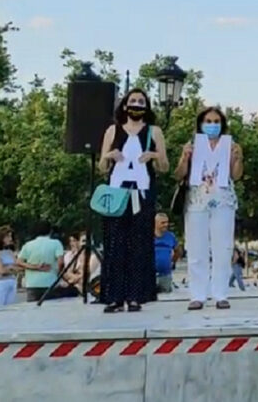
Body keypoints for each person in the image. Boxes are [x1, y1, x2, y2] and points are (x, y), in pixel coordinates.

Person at [98, 88, 169, 313]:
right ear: (125, 105)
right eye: (133, 100)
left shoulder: (154, 132)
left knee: (139, 245)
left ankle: (136, 295)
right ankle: (114, 297)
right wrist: (109, 156)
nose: (136, 104)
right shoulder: (112, 131)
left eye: (141, 101)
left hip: (142, 192)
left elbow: (165, 167)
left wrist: (155, 156)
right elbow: (102, 167)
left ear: (146, 106)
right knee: (115, 244)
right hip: (117, 193)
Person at [175, 106, 243, 310]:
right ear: (201, 124)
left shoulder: (229, 145)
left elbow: (236, 175)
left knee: (223, 247)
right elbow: (179, 174)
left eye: (216, 121)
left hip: (223, 200)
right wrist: (184, 158)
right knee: (196, 248)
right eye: (208, 121)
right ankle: (197, 294)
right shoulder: (193, 145)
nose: (212, 125)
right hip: (197, 200)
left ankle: (221, 293)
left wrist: (238, 158)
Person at [0, 226, 45, 308]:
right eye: (7, 236)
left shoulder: (9, 252)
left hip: (11, 281)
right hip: (0, 282)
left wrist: (35, 267)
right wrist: (12, 268)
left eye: (11, 236)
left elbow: (19, 266)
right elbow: (1, 270)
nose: (10, 239)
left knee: (9, 308)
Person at [17, 221, 66, 302]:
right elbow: (60, 262)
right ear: (50, 231)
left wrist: (35, 267)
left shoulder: (28, 245)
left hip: (32, 283)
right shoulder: (56, 243)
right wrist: (58, 272)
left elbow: (19, 262)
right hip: (51, 282)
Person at [153, 213, 177, 294]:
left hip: (165, 274)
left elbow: (177, 250)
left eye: (167, 222)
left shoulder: (171, 236)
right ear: (155, 223)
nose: (166, 225)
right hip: (149, 274)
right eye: (162, 223)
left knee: (165, 293)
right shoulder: (148, 236)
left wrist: (173, 261)